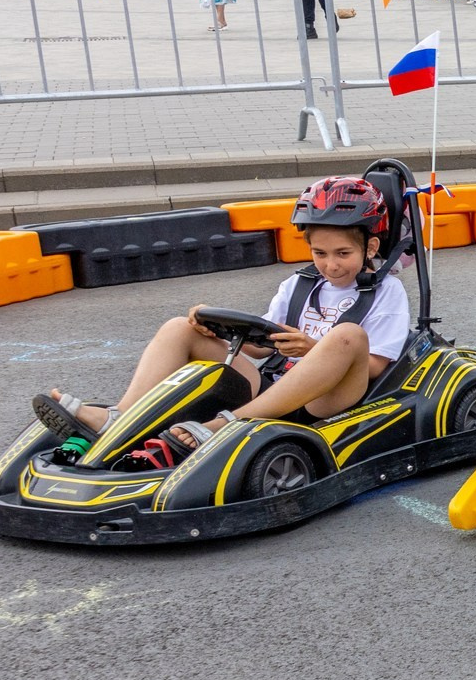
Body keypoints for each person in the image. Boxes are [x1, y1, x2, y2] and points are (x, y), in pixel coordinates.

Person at [28, 176, 413, 470]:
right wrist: (215, 326)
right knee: (179, 326)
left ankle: (225, 424)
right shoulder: (301, 283)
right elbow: (263, 343)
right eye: (320, 252)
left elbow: (376, 366)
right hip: (273, 388)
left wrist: (314, 350)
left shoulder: (386, 292)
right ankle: (120, 415)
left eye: (343, 253)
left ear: (371, 247)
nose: (330, 264)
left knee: (347, 334)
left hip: (331, 399)